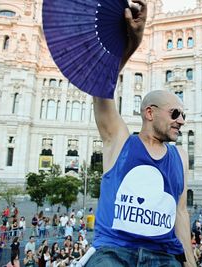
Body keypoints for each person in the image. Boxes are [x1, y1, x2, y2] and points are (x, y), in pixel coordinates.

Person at [82, 1, 194, 266]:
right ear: (150, 113)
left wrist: (190, 261)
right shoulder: (119, 141)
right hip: (114, 253)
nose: (181, 122)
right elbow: (101, 90)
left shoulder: (180, 156)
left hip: (163, 256)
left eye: (184, 116)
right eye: (175, 114)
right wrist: (132, 44)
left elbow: (180, 212)